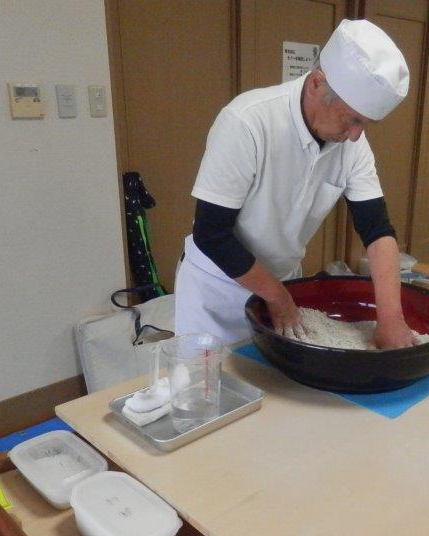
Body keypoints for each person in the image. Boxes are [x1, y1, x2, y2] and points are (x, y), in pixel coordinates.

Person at [175, 19, 416, 349]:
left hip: (282, 284)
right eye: (352, 119)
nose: (356, 135)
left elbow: (377, 230)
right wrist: (278, 297)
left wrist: (390, 318)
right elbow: (211, 233)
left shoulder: (352, 145)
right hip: (218, 290)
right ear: (318, 83)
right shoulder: (248, 122)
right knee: (210, 379)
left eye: (366, 124)